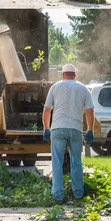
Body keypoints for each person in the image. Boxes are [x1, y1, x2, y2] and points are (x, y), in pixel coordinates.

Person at [42, 64, 94, 203]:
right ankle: (78, 194)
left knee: (57, 162)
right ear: (74, 75)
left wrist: (46, 128)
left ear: (63, 75)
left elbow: (47, 110)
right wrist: (90, 130)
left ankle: (58, 195)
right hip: (75, 129)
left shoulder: (55, 87)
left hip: (57, 128)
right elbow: (89, 112)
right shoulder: (83, 88)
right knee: (76, 162)